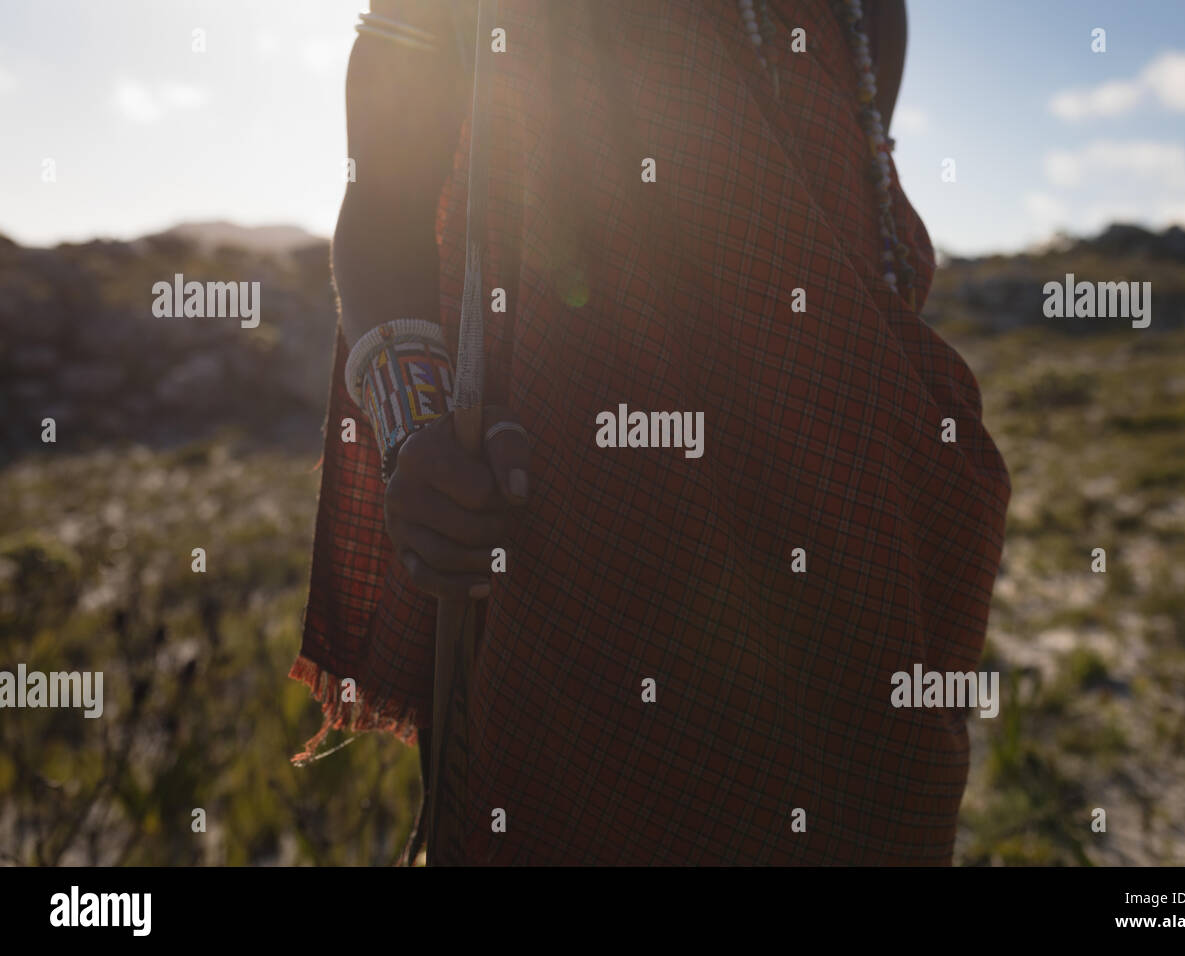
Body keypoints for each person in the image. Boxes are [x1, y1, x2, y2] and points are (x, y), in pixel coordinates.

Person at [291, 0, 1011, 865]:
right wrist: (416, 432)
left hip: (857, 537)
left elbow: (844, 254)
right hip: (578, 527)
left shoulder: (866, 14)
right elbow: (384, 203)